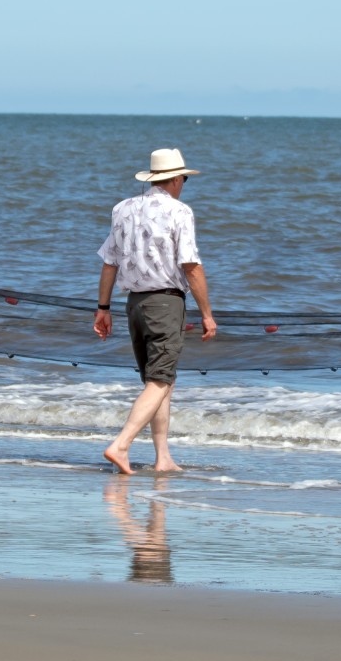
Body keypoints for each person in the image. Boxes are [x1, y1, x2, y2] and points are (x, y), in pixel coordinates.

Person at [93, 148, 217, 474]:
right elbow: (191, 266)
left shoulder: (122, 209)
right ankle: (121, 445)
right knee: (160, 381)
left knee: (158, 379)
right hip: (165, 302)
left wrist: (103, 308)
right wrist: (207, 313)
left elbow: (109, 263)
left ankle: (163, 458)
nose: (184, 184)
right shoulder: (180, 212)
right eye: (184, 179)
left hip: (133, 304)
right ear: (175, 178)